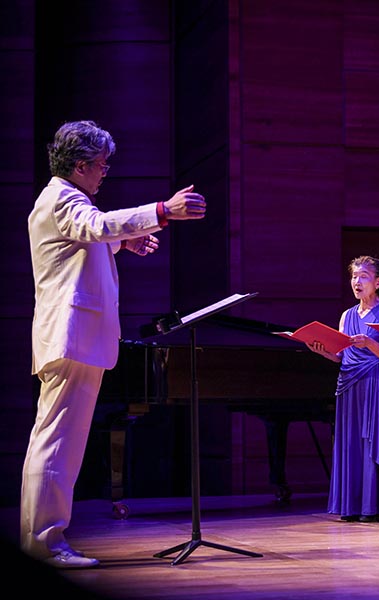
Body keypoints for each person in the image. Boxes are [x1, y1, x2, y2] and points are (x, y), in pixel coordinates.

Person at [23, 120, 206, 568]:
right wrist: (162, 211)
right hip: (71, 340)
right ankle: (44, 544)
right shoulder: (62, 197)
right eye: (102, 165)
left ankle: (44, 540)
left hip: (75, 341)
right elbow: (94, 226)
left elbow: (85, 241)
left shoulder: (65, 201)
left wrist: (124, 242)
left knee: (59, 443)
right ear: (81, 165)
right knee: (56, 444)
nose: (106, 172)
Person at [308, 256, 379, 523]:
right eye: (354, 277)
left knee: (374, 438)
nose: (357, 282)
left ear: (378, 282)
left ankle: (376, 506)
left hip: (374, 380)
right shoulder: (346, 315)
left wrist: (368, 344)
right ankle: (351, 505)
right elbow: (340, 355)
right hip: (348, 382)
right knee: (350, 442)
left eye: (363, 276)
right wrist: (323, 351)